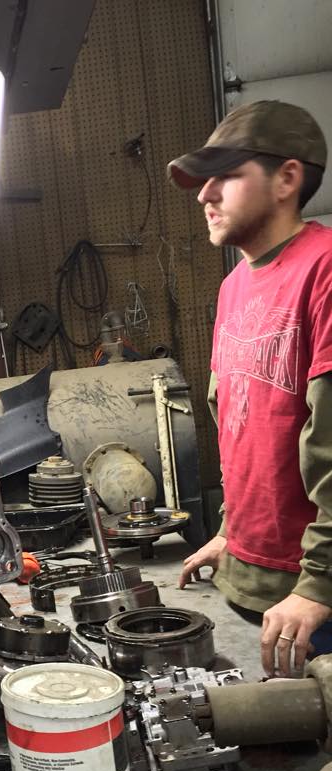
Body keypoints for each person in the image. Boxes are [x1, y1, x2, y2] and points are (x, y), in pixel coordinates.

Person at [167, 100, 332, 678]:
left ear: (287, 177)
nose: (204, 195)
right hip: (263, 585)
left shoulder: (326, 268)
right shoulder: (235, 287)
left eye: (226, 176)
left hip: (317, 596)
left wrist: (320, 585)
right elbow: (241, 428)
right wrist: (231, 536)